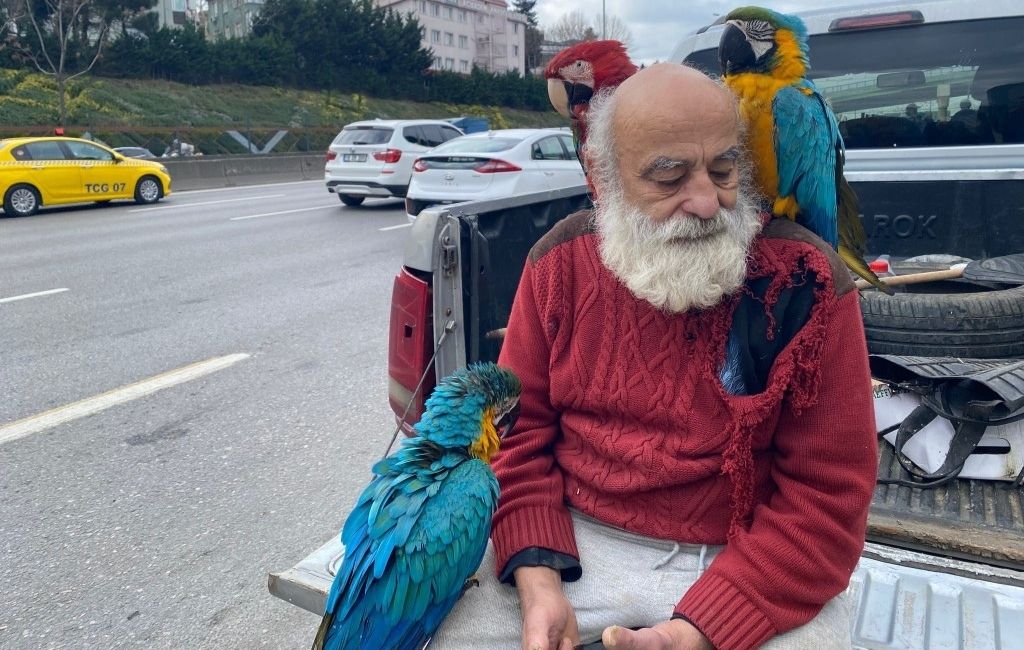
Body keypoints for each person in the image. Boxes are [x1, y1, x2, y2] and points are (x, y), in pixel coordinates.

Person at [432, 63, 878, 650]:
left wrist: (702, 629)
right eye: (669, 178)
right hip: (573, 546)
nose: (705, 202)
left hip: (747, 557)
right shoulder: (557, 266)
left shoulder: (807, 281)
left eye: (723, 170)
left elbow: (829, 496)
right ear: (602, 175)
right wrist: (537, 579)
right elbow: (515, 439)